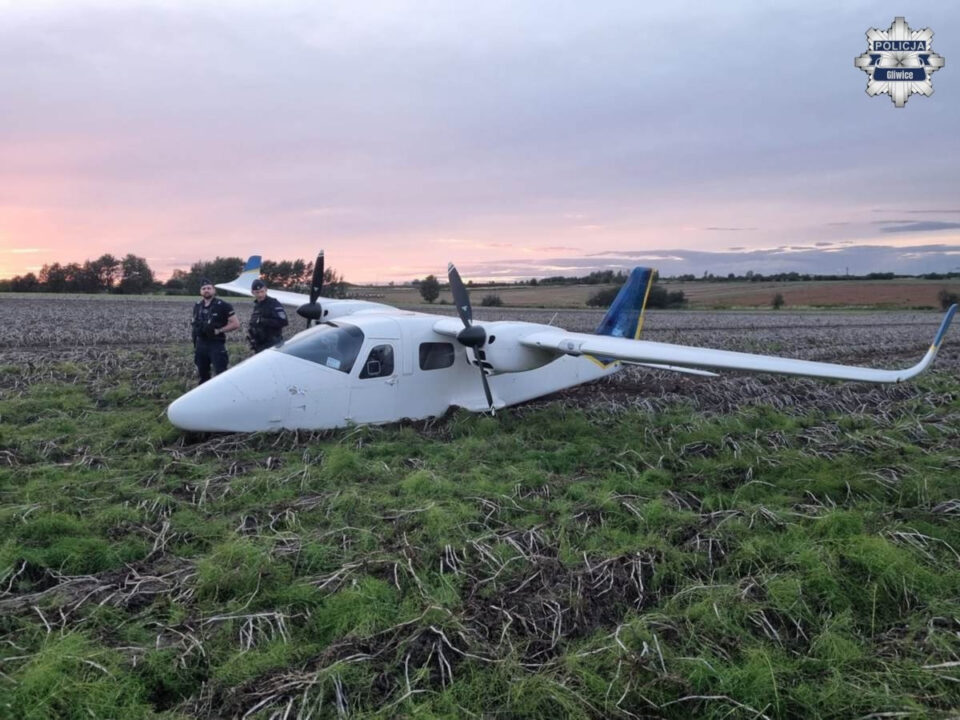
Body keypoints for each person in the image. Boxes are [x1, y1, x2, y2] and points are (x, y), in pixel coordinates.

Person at [191, 278, 240, 384]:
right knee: (203, 375)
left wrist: (219, 330)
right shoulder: (198, 306)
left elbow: (235, 324)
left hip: (216, 344)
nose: (206, 290)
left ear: (214, 290)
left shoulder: (223, 305)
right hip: (201, 344)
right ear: (200, 291)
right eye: (204, 288)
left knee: (221, 374)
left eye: (209, 288)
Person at [247, 278, 289, 352]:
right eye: (257, 292)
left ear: (266, 290)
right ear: (252, 292)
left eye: (262, 291)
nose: (260, 295)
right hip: (260, 344)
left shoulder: (273, 303)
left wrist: (263, 321)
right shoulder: (257, 305)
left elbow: (284, 321)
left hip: (273, 343)